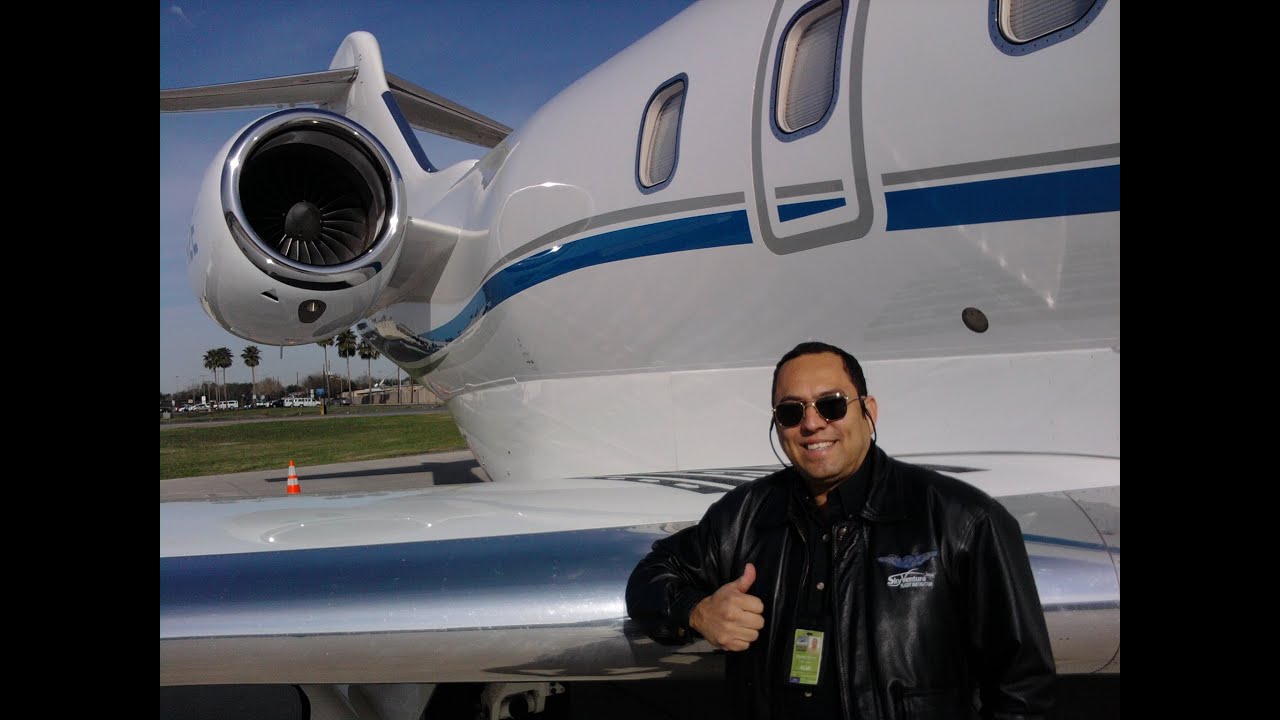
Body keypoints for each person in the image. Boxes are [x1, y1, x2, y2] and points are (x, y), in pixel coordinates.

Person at [626, 341, 1054, 719]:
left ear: (868, 411)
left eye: (830, 404)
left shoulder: (963, 520)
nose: (812, 424)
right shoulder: (744, 516)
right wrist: (696, 612)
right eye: (791, 411)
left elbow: (1023, 687)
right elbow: (648, 578)